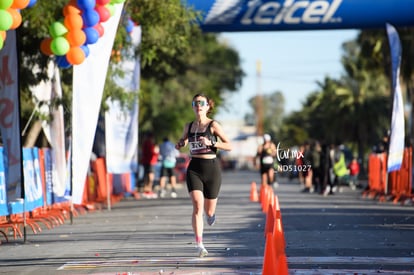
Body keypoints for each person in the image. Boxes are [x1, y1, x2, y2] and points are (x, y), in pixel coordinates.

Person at [175, 93, 232, 258]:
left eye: (202, 103)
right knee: (197, 206)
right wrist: (180, 143)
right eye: (195, 103)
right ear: (193, 106)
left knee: (208, 210)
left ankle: (211, 214)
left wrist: (212, 143)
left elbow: (229, 145)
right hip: (194, 168)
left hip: (212, 169)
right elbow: (184, 140)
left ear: (207, 106)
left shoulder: (213, 125)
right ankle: (200, 244)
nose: (198, 105)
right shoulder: (189, 126)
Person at [141, 132, 159, 199]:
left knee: (147, 176)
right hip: (150, 162)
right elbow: (152, 153)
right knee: (150, 177)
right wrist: (156, 152)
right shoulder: (149, 143)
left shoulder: (145, 143)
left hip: (147, 161)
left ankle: (147, 190)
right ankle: (148, 190)